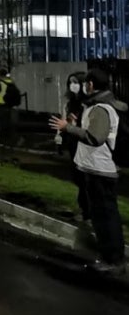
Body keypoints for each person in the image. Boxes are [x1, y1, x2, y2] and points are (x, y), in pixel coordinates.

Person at [49, 69, 127, 274]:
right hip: (95, 169)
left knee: (106, 218)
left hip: (101, 170)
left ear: (90, 84)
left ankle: (114, 259)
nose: (83, 86)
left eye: (85, 83)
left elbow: (96, 137)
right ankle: (109, 256)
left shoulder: (101, 107)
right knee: (103, 216)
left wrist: (68, 128)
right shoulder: (96, 105)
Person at [58, 71, 90, 222]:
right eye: (71, 82)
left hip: (85, 144)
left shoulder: (88, 103)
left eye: (76, 82)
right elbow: (63, 123)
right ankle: (84, 209)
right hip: (73, 143)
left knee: (85, 179)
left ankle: (87, 211)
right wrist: (60, 141)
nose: (73, 85)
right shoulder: (69, 103)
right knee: (78, 177)